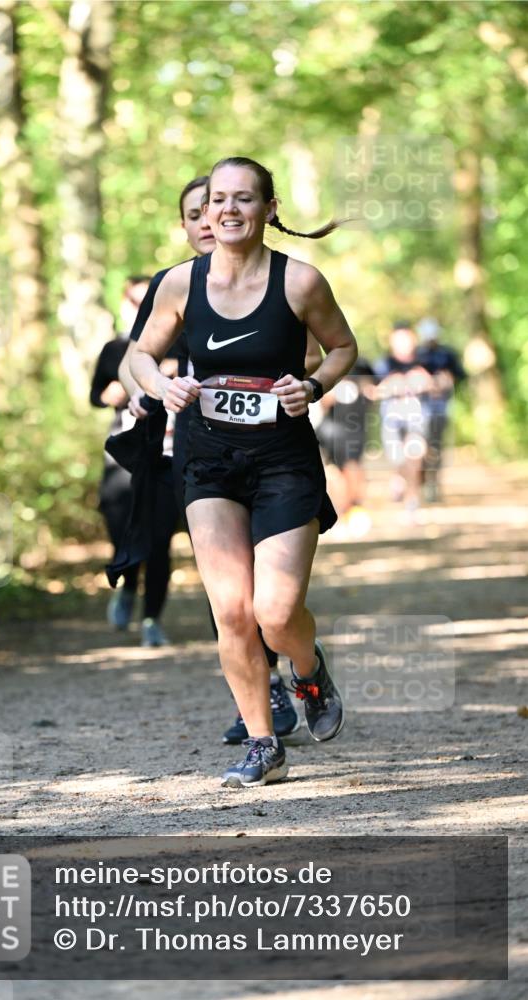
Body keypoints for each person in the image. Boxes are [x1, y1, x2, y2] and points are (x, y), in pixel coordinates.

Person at [131, 156, 358, 787]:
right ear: (205, 211)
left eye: (244, 198)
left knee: (276, 613)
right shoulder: (181, 283)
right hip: (208, 462)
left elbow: (343, 347)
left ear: (269, 208)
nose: (228, 210)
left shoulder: (300, 282)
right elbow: (142, 354)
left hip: (282, 460)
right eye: (218, 200)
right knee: (232, 611)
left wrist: (312, 387)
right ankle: (264, 743)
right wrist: (162, 387)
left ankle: (309, 673)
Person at [118, 176, 306, 744]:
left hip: (272, 447)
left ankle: (288, 661)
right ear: (185, 225)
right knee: (227, 587)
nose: (210, 218)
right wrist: (147, 389)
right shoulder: (173, 283)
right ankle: (261, 698)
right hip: (192, 445)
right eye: (197, 211)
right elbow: (134, 357)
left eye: (220, 205)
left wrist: (295, 384)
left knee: (272, 592)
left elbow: (314, 350)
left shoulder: (279, 281)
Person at [91, 276, 178, 647]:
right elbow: (95, 395)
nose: (141, 307)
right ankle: (127, 585)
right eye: (134, 300)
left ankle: (151, 620)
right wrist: (108, 394)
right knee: (121, 531)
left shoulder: (180, 342)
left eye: (148, 300)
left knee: (159, 542)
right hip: (123, 460)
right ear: (124, 304)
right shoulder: (114, 349)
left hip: (167, 457)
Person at [374, 322, 435, 517]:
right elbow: (373, 391)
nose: (403, 343)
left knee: (415, 455)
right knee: (400, 461)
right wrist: (392, 385)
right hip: (392, 421)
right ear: (391, 341)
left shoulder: (425, 361)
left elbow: (439, 384)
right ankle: (399, 478)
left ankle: (412, 502)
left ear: (413, 339)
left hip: (418, 417)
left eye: (406, 338)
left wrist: (425, 382)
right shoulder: (383, 364)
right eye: (398, 339)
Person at [316, 357, 376, 536]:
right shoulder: (329, 364)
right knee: (336, 473)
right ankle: (342, 514)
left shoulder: (363, 366)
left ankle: (354, 509)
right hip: (332, 430)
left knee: (352, 468)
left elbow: (372, 391)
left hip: (354, 429)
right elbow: (323, 399)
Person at [416, 317, 466, 502]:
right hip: (417, 410)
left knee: (435, 446)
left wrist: (448, 378)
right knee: (418, 447)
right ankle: (418, 480)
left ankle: (433, 483)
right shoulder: (416, 354)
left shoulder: (447, 354)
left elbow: (461, 375)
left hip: (440, 410)